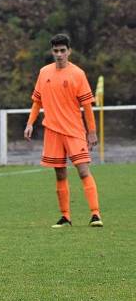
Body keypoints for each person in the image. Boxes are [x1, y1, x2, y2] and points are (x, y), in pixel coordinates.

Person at [24, 33, 102, 228]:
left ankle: (95, 214)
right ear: (52, 51)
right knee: (60, 174)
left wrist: (91, 131)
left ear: (69, 51)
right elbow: (37, 101)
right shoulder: (44, 72)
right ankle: (65, 217)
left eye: (62, 51)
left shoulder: (78, 74)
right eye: (56, 51)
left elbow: (87, 106)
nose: (59, 54)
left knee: (83, 171)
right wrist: (30, 123)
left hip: (75, 130)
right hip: (52, 131)